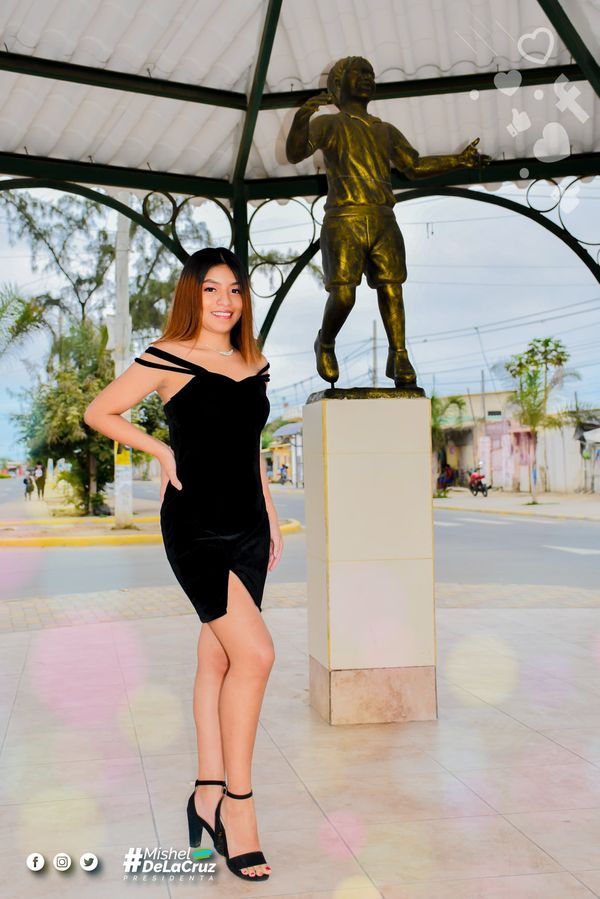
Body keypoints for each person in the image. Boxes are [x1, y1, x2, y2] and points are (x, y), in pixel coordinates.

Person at [84, 247, 282, 882]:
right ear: (191, 294)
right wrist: (160, 451)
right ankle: (238, 809)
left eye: (235, 289)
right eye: (211, 289)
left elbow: (249, 447)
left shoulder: (255, 362)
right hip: (195, 525)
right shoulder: (166, 356)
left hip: (249, 526)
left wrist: (271, 513)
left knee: (218, 658)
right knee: (257, 655)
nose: (225, 301)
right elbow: (99, 411)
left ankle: (204, 792)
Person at [286, 56, 491, 388]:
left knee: (392, 289)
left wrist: (460, 161)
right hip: (344, 220)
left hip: (383, 218)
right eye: (359, 73)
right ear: (338, 83)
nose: (368, 78)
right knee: (344, 296)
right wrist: (302, 117)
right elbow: (296, 153)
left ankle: (399, 355)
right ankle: (325, 342)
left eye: (371, 74)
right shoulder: (329, 124)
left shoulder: (385, 130)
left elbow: (414, 166)